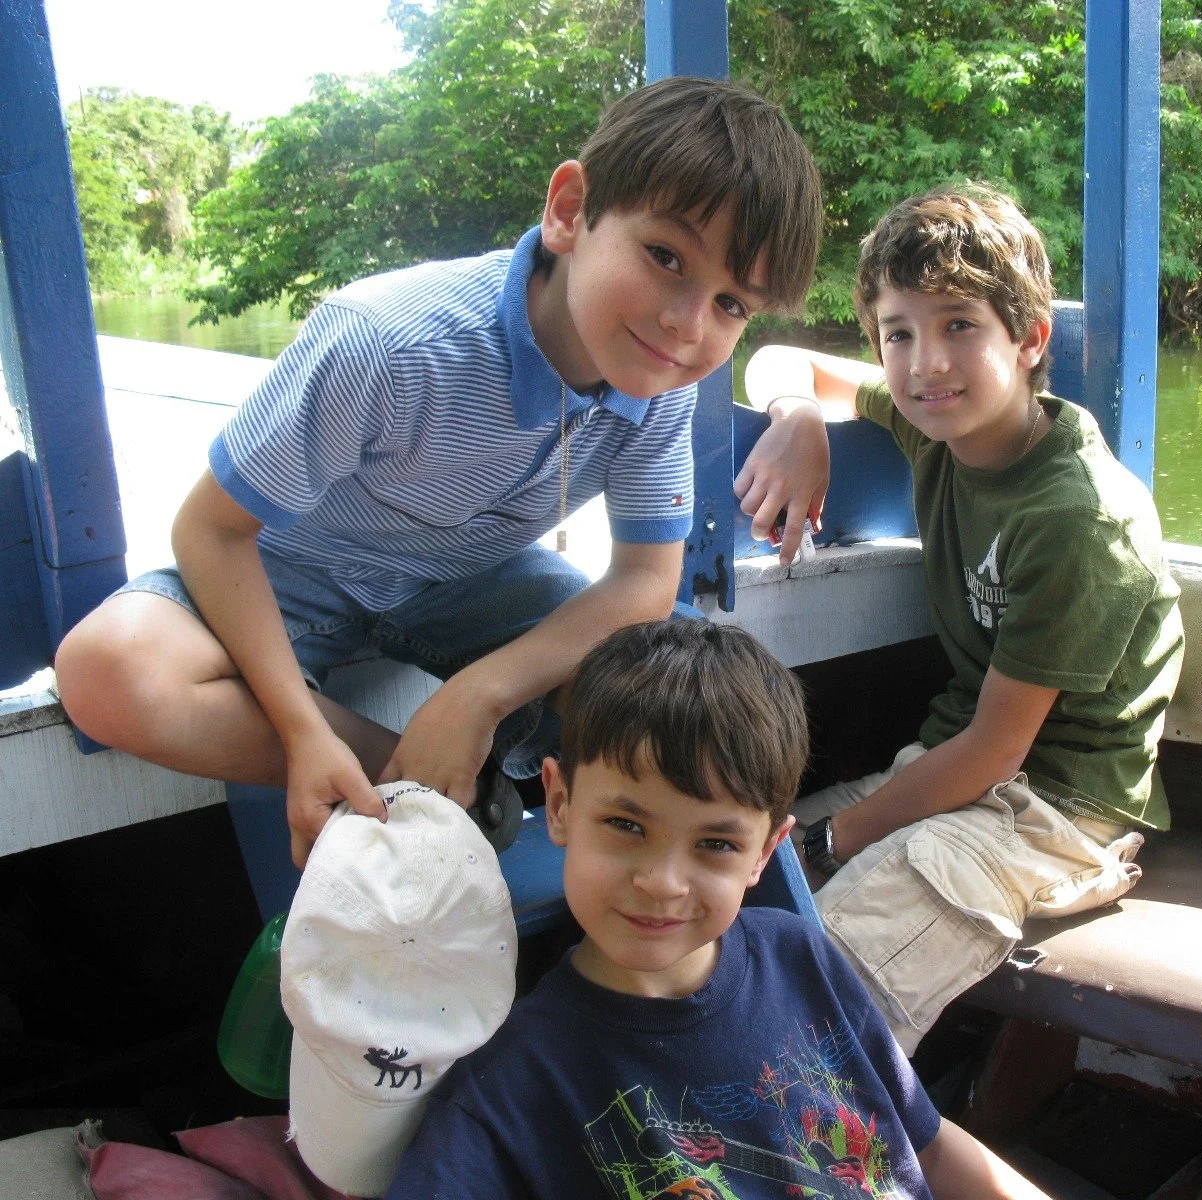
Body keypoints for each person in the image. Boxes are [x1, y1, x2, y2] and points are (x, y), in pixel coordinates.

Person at [54, 77, 824, 867]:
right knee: (109, 671)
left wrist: (478, 695)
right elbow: (211, 528)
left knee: (688, 691)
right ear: (568, 211)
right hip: (293, 572)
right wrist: (303, 733)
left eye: (732, 304)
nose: (686, 323)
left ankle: (643, 892)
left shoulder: (661, 377)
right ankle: (403, 779)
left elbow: (642, 583)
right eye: (665, 257)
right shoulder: (389, 344)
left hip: (473, 581)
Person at [735, 184, 1185, 1051]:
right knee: (738, 875)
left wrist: (831, 841)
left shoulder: (1076, 516)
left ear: (1029, 340)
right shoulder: (934, 434)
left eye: (958, 326)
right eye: (897, 333)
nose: (923, 364)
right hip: (943, 769)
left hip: (1052, 813)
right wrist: (800, 420)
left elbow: (997, 750)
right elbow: (776, 359)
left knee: (813, 992)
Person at [387, 619, 1052, 1200]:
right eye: (625, 824)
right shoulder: (516, 1084)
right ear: (559, 805)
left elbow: (925, 1146)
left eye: (715, 844)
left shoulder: (803, 956)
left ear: (765, 852)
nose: (663, 883)